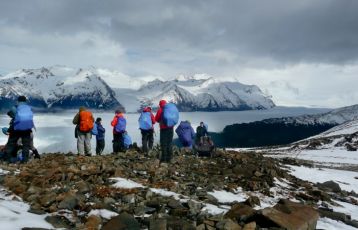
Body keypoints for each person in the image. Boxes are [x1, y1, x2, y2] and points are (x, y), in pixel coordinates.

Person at [4, 96, 34, 163]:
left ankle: (7, 159)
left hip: (17, 128)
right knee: (26, 145)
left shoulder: (15, 107)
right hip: (27, 129)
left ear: (18, 101)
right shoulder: (29, 108)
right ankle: (25, 161)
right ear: (25, 101)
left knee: (11, 143)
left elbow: (10, 113)